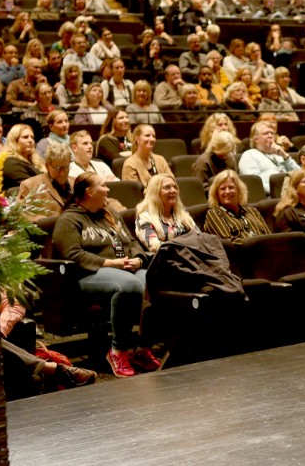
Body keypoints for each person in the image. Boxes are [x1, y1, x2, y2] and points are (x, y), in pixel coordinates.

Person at [53, 173, 161, 378]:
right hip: (86, 276)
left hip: (124, 268)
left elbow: (132, 242)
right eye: (103, 185)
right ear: (89, 192)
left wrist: (137, 259)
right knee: (129, 285)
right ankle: (118, 350)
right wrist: (112, 263)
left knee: (154, 282)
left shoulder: (111, 214)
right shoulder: (68, 219)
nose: (108, 189)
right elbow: (73, 254)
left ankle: (141, 348)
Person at [203, 170, 270, 245]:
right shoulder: (214, 214)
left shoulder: (252, 211)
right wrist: (257, 245)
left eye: (231, 187)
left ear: (239, 190)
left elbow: (268, 236)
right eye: (222, 189)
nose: (227, 191)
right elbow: (228, 243)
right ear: (217, 193)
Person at [135, 174, 198, 253]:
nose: (173, 190)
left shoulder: (182, 215)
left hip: (193, 256)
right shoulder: (145, 218)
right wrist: (187, 248)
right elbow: (155, 246)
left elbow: (200, 237)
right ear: (155, 192)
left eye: (175, 187)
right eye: (167, 187)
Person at [238, 121, 299, 195]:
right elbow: (255, 184)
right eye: (266, 133)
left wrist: (286, 156)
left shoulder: (279, 154)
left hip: (290, 194)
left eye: (272, 133)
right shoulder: (249, 155)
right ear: (255, 139)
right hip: (268, 197)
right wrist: (284, 192)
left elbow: (300, 175)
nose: (270, 136)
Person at [17, 141, 73, 220]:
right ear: (47, 166)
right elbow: (24, 216)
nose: (62, 172)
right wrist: (57, 221)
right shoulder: (29, 185)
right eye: (57, 168)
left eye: (66, 167)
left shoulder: (77, 183)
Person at [1, 124, 46, 190]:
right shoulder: (10, 162)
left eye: (32, 137)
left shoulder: (36, 161)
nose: (30, 140)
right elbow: (31, 188)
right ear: (14, 141)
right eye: (25, 137)